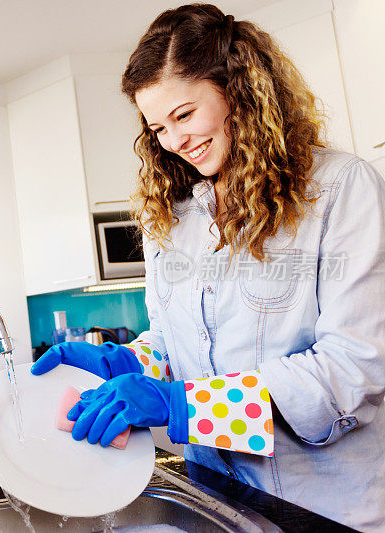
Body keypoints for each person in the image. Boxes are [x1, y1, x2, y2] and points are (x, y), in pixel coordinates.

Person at [31, 4, 385, 531]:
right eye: (157, 127)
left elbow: (352, 370)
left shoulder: (339, 191)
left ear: (238, 91)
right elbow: (178, 349)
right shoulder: (172, 216)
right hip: (218, 504)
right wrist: (124, 365)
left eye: (184, 115)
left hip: (325, 513)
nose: (173, 142)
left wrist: (182, 405)